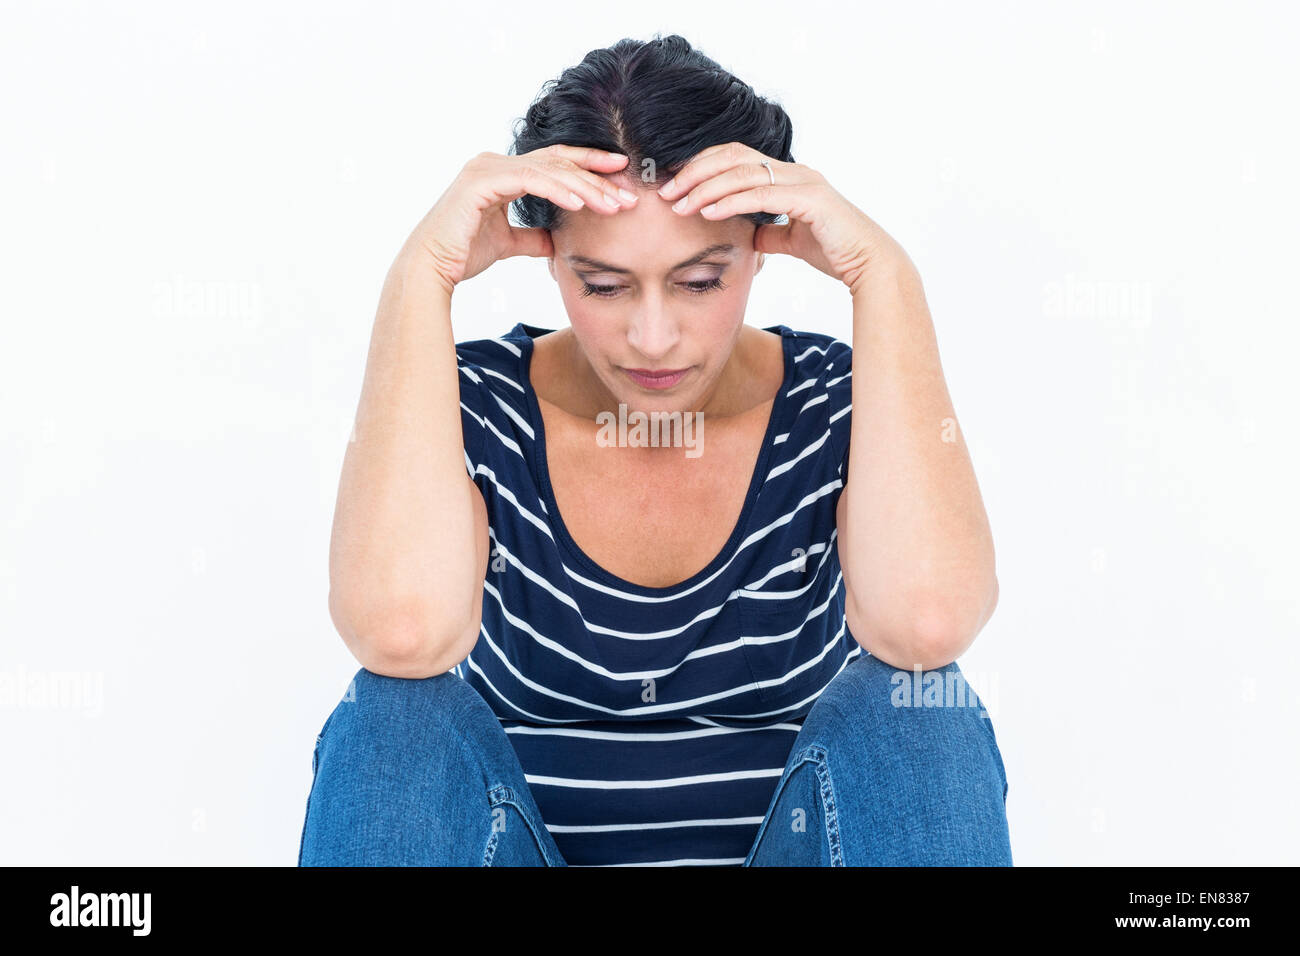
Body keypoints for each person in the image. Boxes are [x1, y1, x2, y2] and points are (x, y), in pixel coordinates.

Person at [298, 34, 1011, 867]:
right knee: (395, 725)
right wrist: (419, 276)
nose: (653, 337)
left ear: (761, 243)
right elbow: (399, 633)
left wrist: (885, 277)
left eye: (700, 281)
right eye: (602, 285)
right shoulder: (478, 401)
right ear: (550, 256)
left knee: (923, 705)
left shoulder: (832, 400)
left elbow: (927, 626)